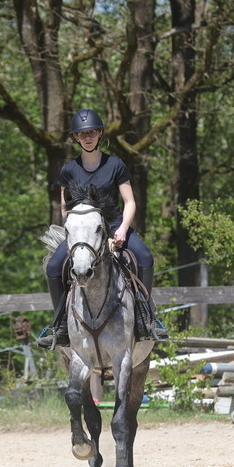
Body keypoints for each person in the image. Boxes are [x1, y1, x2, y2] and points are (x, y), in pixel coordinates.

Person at [36, 108, 169, 349]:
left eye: (91, 133)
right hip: (83, 233)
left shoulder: (115, 165)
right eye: (82, 134)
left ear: (99, 134)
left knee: (145, 257)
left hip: (115, 226)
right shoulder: (68, 170)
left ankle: (146, 319)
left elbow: (130, 202)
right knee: (54, 267)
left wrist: (123, 229)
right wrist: (77, 233)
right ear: (76, 138)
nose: (87, 137)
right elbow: (66, 210)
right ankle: (60, 325)